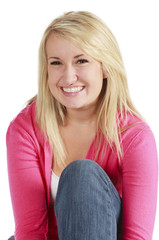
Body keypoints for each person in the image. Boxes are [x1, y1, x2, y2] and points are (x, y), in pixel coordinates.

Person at [7, 11, 158, 240]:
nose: (68, 77)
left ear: (105, 67)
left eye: (81, 61)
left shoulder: (134, 137)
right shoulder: (26, 128)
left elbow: (136, 236)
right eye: (56, 63)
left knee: (81, 175)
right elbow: (30, 233)